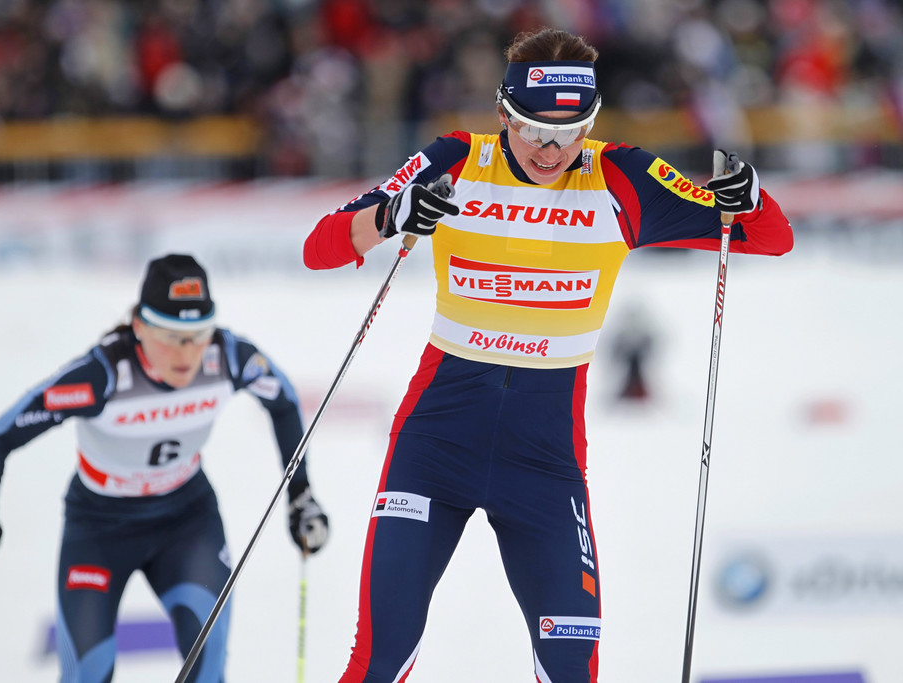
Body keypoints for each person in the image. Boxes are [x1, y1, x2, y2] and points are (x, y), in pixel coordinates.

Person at [303, 26, 792, 683]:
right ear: (504, 113)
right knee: (379, 657)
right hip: (433, 446)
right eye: (533, 129)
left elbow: (769, 237)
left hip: (543, 464)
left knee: (570, 667)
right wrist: (392, 216)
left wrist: (749, 195)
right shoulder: (455, 159)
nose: (550, 148)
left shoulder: (623, 178)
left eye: (570, 131)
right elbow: (323, 247)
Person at [0, 253, 330, 682]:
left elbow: (284, 403)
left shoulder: (228, 358)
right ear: (139, 326)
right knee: (87, 672)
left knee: (207, 663)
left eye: (197, 335)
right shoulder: (102, 377)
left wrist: (300, 495)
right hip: (98, 529)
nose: (186, 352)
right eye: (170, 336)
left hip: (186, 522)